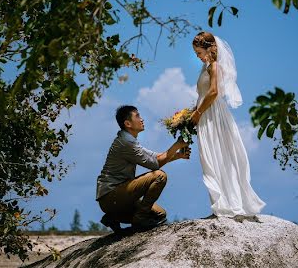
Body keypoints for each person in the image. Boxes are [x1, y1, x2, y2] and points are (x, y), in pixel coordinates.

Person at [190, 32, 265, 218]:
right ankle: (221, 202)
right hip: (205, 114)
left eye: (199, 52)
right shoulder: (206, 67)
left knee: (217, 155)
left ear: (209, 49)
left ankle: (228, 204)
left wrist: (198, 113)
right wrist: (192, 112)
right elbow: (203, 94)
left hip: (212, 115)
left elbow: (214, 91)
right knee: (211, 157)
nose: (197, 56)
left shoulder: (214, 66)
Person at [96, 105, 191, 234]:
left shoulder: (130, 140)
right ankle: (139, 219)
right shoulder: (126, 142)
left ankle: (112, 217)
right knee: (159, 176)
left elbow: (155, 156)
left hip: (119, 196)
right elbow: (155, 165)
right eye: (137, 116)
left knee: (159, 215)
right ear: (128, 123)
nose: (142, 119)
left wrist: (178, 155)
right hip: (111, 194)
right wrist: (176, 145)